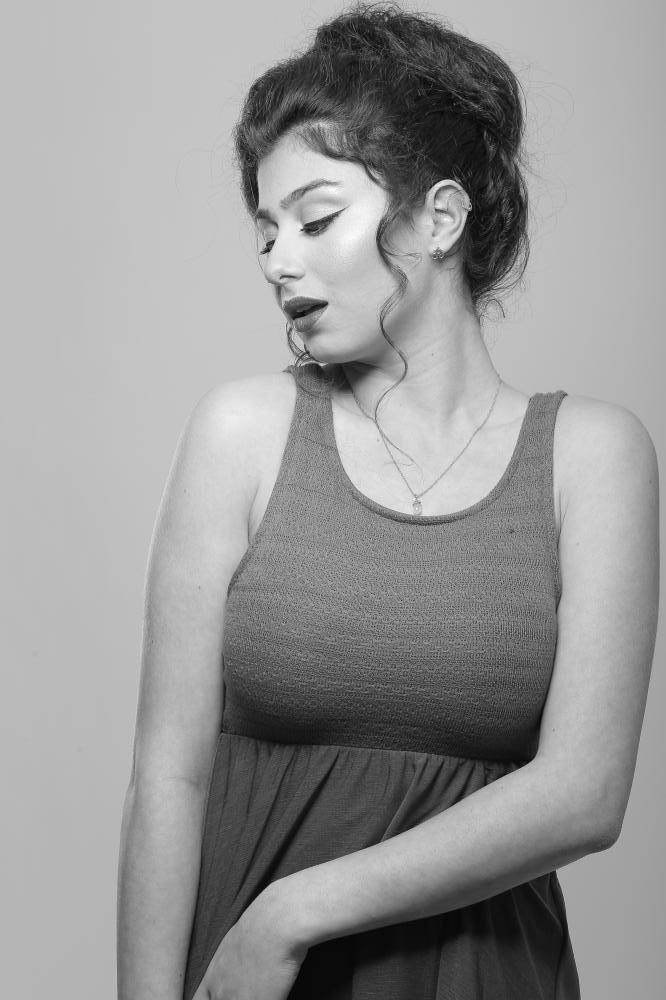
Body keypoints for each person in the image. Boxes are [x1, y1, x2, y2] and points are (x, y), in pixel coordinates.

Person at [116, 3, 660, 999]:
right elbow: (167, 777)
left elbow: (586, 793)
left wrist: (290, 912)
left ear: (439, 219)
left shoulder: (593, 459)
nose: (278, 261)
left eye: (316, 219)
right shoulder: (242, 434)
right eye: (267, 231)